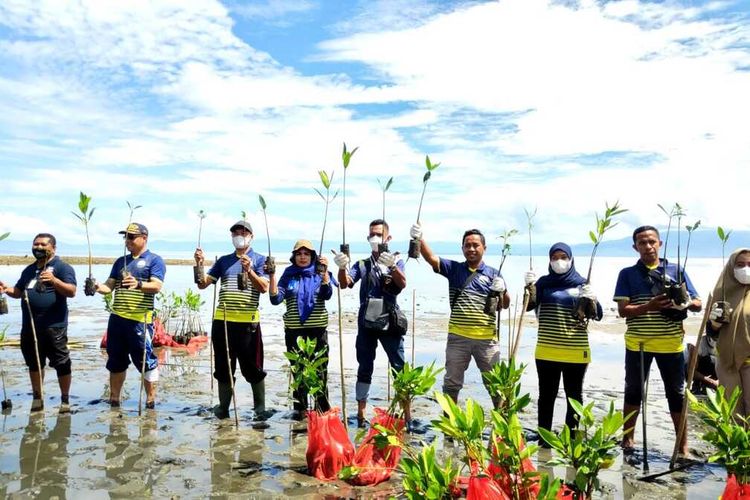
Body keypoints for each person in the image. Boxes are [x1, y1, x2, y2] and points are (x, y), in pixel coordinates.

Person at [614, 225, 701, 455]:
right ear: (635, 247)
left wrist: (685, 303)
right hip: (638, 343)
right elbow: (623, 310)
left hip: (671, 343)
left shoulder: (676, 269)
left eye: (652, 241)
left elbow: (698, 302)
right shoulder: (627, 274)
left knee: (676, 394)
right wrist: (649, 306)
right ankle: (628, 439)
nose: (648, 246)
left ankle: (682, 444)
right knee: (633, 391)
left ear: (660, 243)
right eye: (642, 242)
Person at [410, 223, 509, 407]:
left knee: (496, 386)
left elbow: (505, 305)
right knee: (451, 385)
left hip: (487, 340)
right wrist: (419, 238)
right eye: (467, 245)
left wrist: (502, 291)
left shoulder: (494, 274)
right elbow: (431, 258)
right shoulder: (454, 269)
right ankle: (450, 426)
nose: (471, 249)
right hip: (458, 338)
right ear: (462, 248)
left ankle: (503, 427)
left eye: (475, 245)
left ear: (484, 248)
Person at [525, 242, 602, 439]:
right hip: (546, 351)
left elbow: (598, 315)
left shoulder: (582, 283)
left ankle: (572, 438)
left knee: (574, 397)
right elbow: (528, 305)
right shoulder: (543, 283)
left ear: (571, 259)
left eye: (563, 257)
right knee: (546, 397)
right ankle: (544, 437)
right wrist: (528, 287)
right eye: (555, 257)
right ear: (549, 261)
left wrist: (593, 298)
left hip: (576, 352)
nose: (559, 261)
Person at [334, 219, 407, 426]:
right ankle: (360, 414)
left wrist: (391, 266)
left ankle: (406, 414)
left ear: (388, 238)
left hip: (390, 322)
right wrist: (341, 267)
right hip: (366, 323)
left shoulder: (397, 260)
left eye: (379, 234)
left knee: (399, 366)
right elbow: (345, 283)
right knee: (364, 365)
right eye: (371, 235)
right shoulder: (363, 264)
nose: (375, 238)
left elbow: (402, 283)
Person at [195, 220, 269, 419]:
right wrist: (199, 264)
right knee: (223, 366)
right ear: (231, 237)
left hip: (248, 323)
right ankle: (223, 407)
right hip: (223, 321)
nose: (239, 236)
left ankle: (259, 408)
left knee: (253, 366)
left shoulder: (260, 259)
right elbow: (203, 284)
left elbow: (263, 287)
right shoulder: (223, 261)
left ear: (251, 236)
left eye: (243, 233)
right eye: (236, 233)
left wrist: (250, 271)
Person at [0, 233, 76, 412]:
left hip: (54, 327)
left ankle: (64, 400)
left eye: (43, 245)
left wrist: (54, 281)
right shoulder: (29, 270)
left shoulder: (62, 267)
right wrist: (5, 289)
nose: (39, 248)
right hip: (30, 327)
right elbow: (18, 291)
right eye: (36, 245)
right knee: (34, 363)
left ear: (53, 248)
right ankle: (38, 396)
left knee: (61, 363)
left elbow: (72, 291)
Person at [95, 223, 165, 409]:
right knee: (116, 360)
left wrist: (139, 284)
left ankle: (150, 401)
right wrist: (96, 287)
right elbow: (108, 287)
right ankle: (115, 399)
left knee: (145, 360)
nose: (128, 240)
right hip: (117, 319)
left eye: (132, 237)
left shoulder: (154, 260)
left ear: (144, 237)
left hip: (140, 320)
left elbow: (157, 286)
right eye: (126, 237)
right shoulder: (120, 261)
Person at [269, 240, 335, 417]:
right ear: (294, 257)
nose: (303, 257)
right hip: (294, 332)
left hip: (317, 331)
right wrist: (272, 276)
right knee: (298, 371)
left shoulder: (320, 272)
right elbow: (275, 299)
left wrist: (325, 275)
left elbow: (327, 295)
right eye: (299, 254)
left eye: (306, 254)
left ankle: (322, 411)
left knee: (320, 372)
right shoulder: (289, 274)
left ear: (312, 256)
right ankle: (300, 412)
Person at [707, 248, 750, 414]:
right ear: (731, 267)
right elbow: (711, 333)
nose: (745, 269)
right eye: (740, 265)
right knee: (731, 412)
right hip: (727, 363)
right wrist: (714, 323)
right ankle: (733, 441)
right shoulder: (721, 292)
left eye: (749, 264)